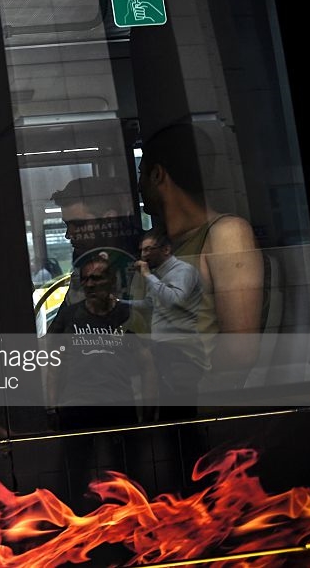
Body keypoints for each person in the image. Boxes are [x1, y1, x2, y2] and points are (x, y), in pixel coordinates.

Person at [138, 123, 264, 375]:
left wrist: (182, 387)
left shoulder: (227, 234)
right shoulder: (159, 244)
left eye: (142, 174)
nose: (139, 185)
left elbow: (240, 352)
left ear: (157, 175)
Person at [46, 253, 158, 431]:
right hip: (75, 407)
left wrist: (148, 413)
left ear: (111, 281)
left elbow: (147, 366)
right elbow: (54, 365)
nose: (90, 284)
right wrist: (51, 408)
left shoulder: (127, 315)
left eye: (96, 278)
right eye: (85, 279)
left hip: (118, 406)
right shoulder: (69, 316)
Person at [130, 229, 208, 417]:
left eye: (149, 249)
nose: (144, 255)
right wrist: (120, 303)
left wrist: (147, 275)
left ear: (166, 250)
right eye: (142, 250)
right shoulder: (159, 275)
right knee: (167, 404)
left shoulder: (183, 271)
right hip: (163, 347)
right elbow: (150, 304)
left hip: (180, 348)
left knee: (181, 406)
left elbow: (174, 300)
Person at [50, 176, 141, 303]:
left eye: (79, 224)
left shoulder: (142, 255)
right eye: (67, 225)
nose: (69, 234)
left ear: (109, 219)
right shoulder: (83, 262)